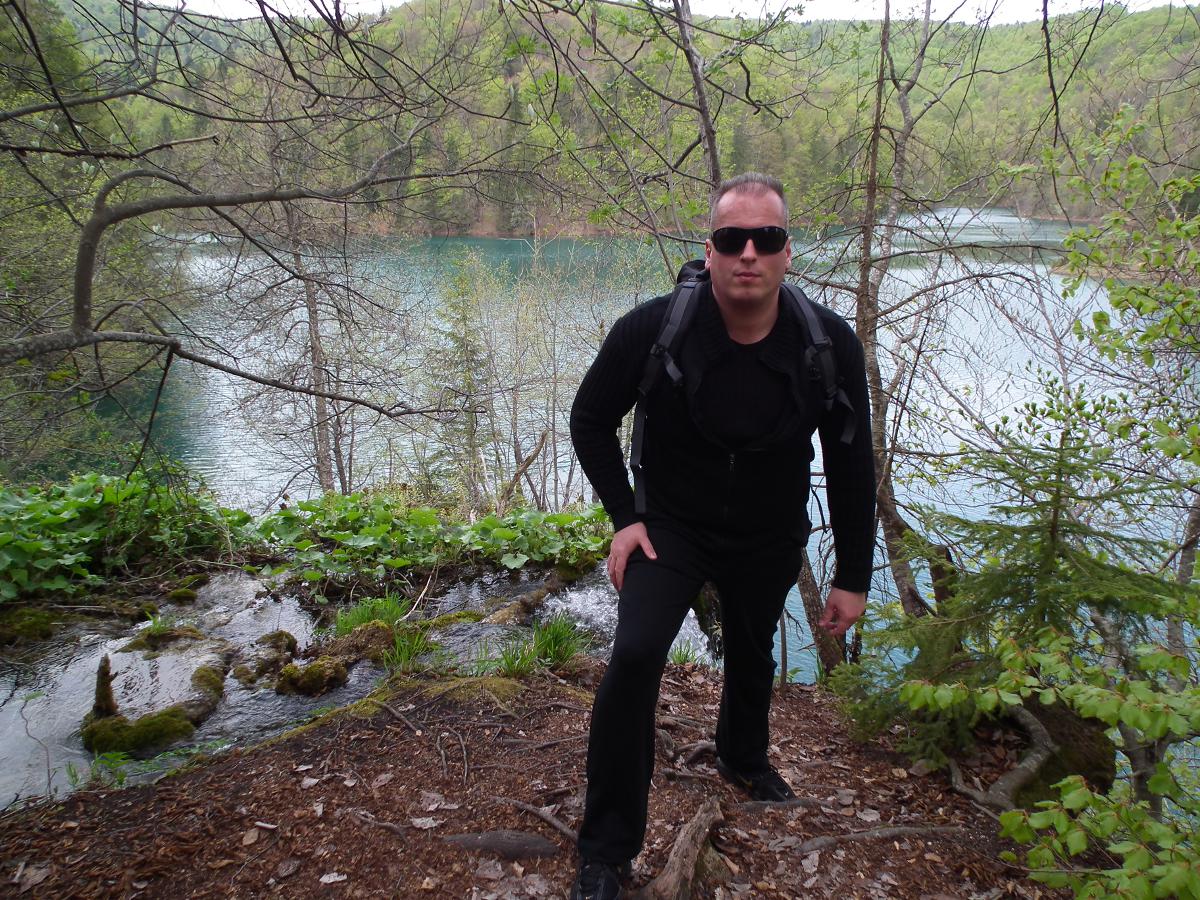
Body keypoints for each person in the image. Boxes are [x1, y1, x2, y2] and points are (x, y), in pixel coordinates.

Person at [567, 173, 877, 900]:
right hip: (671, 526)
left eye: (766, 238)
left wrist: (853, 576)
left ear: (788, 252)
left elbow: (852, 460)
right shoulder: (653, 330)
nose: (749, 254)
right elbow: (590, 420)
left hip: (768, 528)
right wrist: (626, 518)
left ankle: (743, 757)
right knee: (635, 655)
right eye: (732, 238)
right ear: (709, 250)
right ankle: (606, 849)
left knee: (751, 644)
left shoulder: (827, 343)